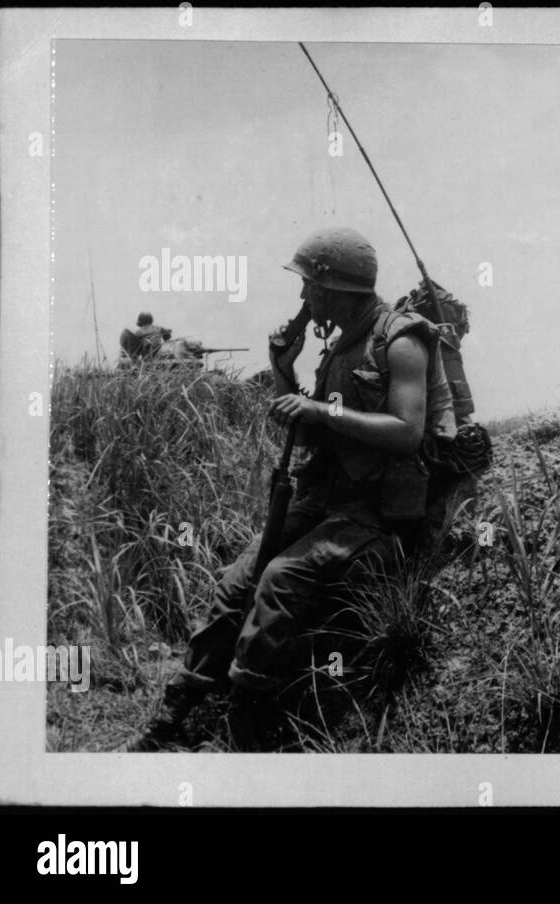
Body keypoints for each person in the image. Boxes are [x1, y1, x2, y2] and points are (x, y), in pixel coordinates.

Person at [129, 227, 457, 751]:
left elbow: (407, 430)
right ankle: (174, 713)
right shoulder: (338, 347)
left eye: (310, 288)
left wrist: (320, 408)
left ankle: (246, 727)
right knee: (237, 583)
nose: (303, 298)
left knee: (280, 580)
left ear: (336, 290)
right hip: (328, 503)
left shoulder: (401, 340)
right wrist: (283, 367)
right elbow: (308, 428)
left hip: (378, 513)